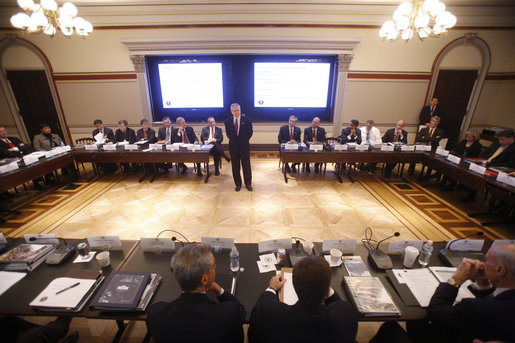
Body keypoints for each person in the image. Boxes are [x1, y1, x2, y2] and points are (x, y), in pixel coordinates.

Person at [370, 244, 515, 343]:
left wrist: (456, 279)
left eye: (488, 261)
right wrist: (484, 284)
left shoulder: (475, 308)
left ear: (500, 270)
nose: (483, 263)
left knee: (390, 328)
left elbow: (436, 311)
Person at [146, 243, 246, 343]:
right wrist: (218, 289)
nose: (215, 269)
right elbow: (240, 311)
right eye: (214, 268)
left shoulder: (156, 314)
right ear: (204, 279)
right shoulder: (229, 313)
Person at [248, 255, 358, 343]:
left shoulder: (270, 313)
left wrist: (272, 288)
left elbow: (252, 335)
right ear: (327, 291)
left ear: (295, 287)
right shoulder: (347, 318)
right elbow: (339, 305)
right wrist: (324, 286)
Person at [224, 103, 253, 191]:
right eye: (234, 111)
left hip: (244, 146)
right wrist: (236, 141)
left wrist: (242, 141)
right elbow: (228, 134)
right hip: (233, 147)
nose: (236, 112)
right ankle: (238, 184)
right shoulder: (227, 121)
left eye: (238, 110)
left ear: (240, 110)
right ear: (231, 111)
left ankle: (248, 184)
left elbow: (250, 133)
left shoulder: (247, 120)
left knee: (246, 165)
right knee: (235, 166)